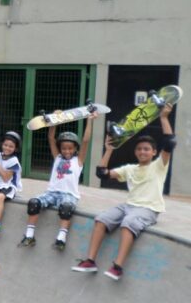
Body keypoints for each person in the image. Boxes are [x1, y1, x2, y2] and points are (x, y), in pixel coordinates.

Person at [73, 104, 174, 281]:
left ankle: (117, 267)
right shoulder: (130, 169)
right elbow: (102, 173)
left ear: (154, 152)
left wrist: (164, 118)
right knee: (102, 218)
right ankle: (90, 261)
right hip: (129, 206)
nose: (142, 152)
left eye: (146, 149)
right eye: (139, 149)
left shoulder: (159, 166)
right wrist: (110, 149)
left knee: (128, 222)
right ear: (135, 152)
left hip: (148, 209)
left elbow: (170, 143)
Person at [19, 114, 95, 250]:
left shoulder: (78, 161)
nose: (67, 151)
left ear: (75, 149)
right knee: (33, 203)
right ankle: (29, 236)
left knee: (66, 208)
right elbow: (50, 138)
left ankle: (61, 239)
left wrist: (89, 120)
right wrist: (53, 121)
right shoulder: (58, 157)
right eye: (64, 148)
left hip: (69, 195)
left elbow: (86, 141)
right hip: (52, 193)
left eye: (70, 148)